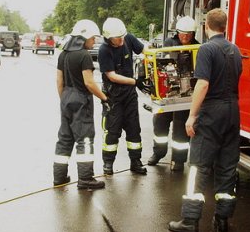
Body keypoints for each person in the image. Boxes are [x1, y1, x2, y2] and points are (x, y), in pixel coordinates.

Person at [168, 8, 242, 232]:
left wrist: (191, 116)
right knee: (227, 165)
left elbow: (202, 84)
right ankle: (222, 217)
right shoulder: (235, 49)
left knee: (199, 165)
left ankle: (190, 219)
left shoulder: (207, 49)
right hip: (232, 110)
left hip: (212, 111)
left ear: (206, 26)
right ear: (225, 26)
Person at [53, 19, 109, 190]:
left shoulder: (63, 54)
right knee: (84, 139)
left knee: (65, 138)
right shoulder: (84, 55)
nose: (94, 42)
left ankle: (59, 177)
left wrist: (64, 100)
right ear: (83, 37)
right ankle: (85, 179)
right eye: (93, 38)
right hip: (80, 100)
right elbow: (89, 83)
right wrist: (104, 98)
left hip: (66, 97)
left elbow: (59, 80)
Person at [147, 16, 200, 172]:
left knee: (180, 130)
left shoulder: (198, 47)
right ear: (177, 32)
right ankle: (158, 153)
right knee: (160, 124)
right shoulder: (169, 44)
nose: (185, 37)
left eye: (189, 34)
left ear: (193, 33)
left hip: (186, 93)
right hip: (169, 91)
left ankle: (178, 161)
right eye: (182, 34)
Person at [97, 17, 147, 176]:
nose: (121, 40)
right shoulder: (104, 50)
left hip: (129, 95)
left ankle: (136, 162)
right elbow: (111, 76)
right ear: (108, 38)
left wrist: (149, 67)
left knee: (134, 129)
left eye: (122, 36)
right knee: (112, 130)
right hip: (113, 95)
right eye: (118, 38)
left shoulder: (129, 38)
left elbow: (146, 51)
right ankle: (108, 163)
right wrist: (135, 81)